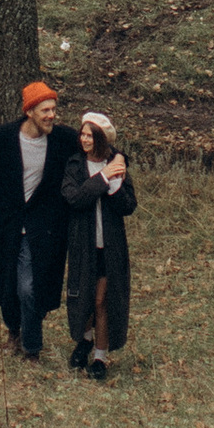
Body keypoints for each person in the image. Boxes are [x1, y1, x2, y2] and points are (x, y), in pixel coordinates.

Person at [0, 78, 87, 366]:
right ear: (30, 112)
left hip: (44, 228)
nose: (51, 116)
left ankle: (32, 347)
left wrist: (118, 159)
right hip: (6, 225)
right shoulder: (1, 139)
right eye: (45, 111)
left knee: (29, 286)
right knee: (8, 284)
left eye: (53, 109)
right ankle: (14, 330)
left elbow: (93, 144)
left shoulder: (62, 139)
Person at [65, 109, 134, 378]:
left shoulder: (119, 165)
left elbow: (129, 206)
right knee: (84, 295)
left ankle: (100, 356)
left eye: (89, 135)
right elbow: (74, 198)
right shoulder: (74, 166)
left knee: (101, 299)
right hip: (83, 243)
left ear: (101, 138)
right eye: (82, 134)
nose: (83, 139)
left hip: (110, 245)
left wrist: (116, 185)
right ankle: (85, 340)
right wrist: (104, 178)